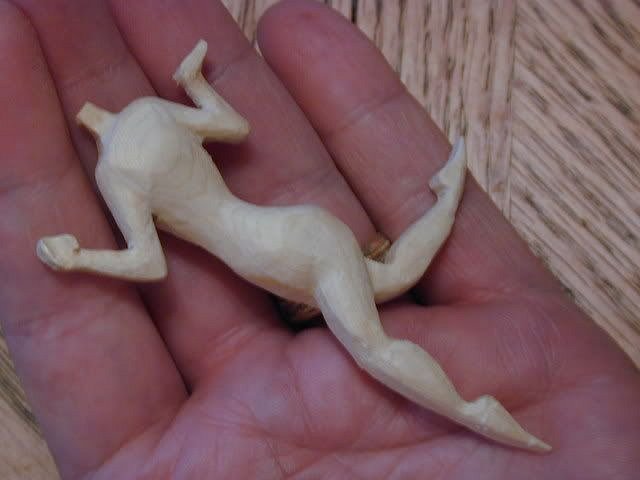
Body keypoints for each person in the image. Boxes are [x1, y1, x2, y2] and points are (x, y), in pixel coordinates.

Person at [0, 0, 638, 478]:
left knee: (371, 346)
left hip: (273, 249)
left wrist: (79, 258)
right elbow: (234, 125)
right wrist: (194, 82)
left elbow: (148, 263)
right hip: (292, 228)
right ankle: (447, 195)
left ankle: (474, 411)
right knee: (388, 280)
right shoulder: (148, 112)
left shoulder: (116, 172)